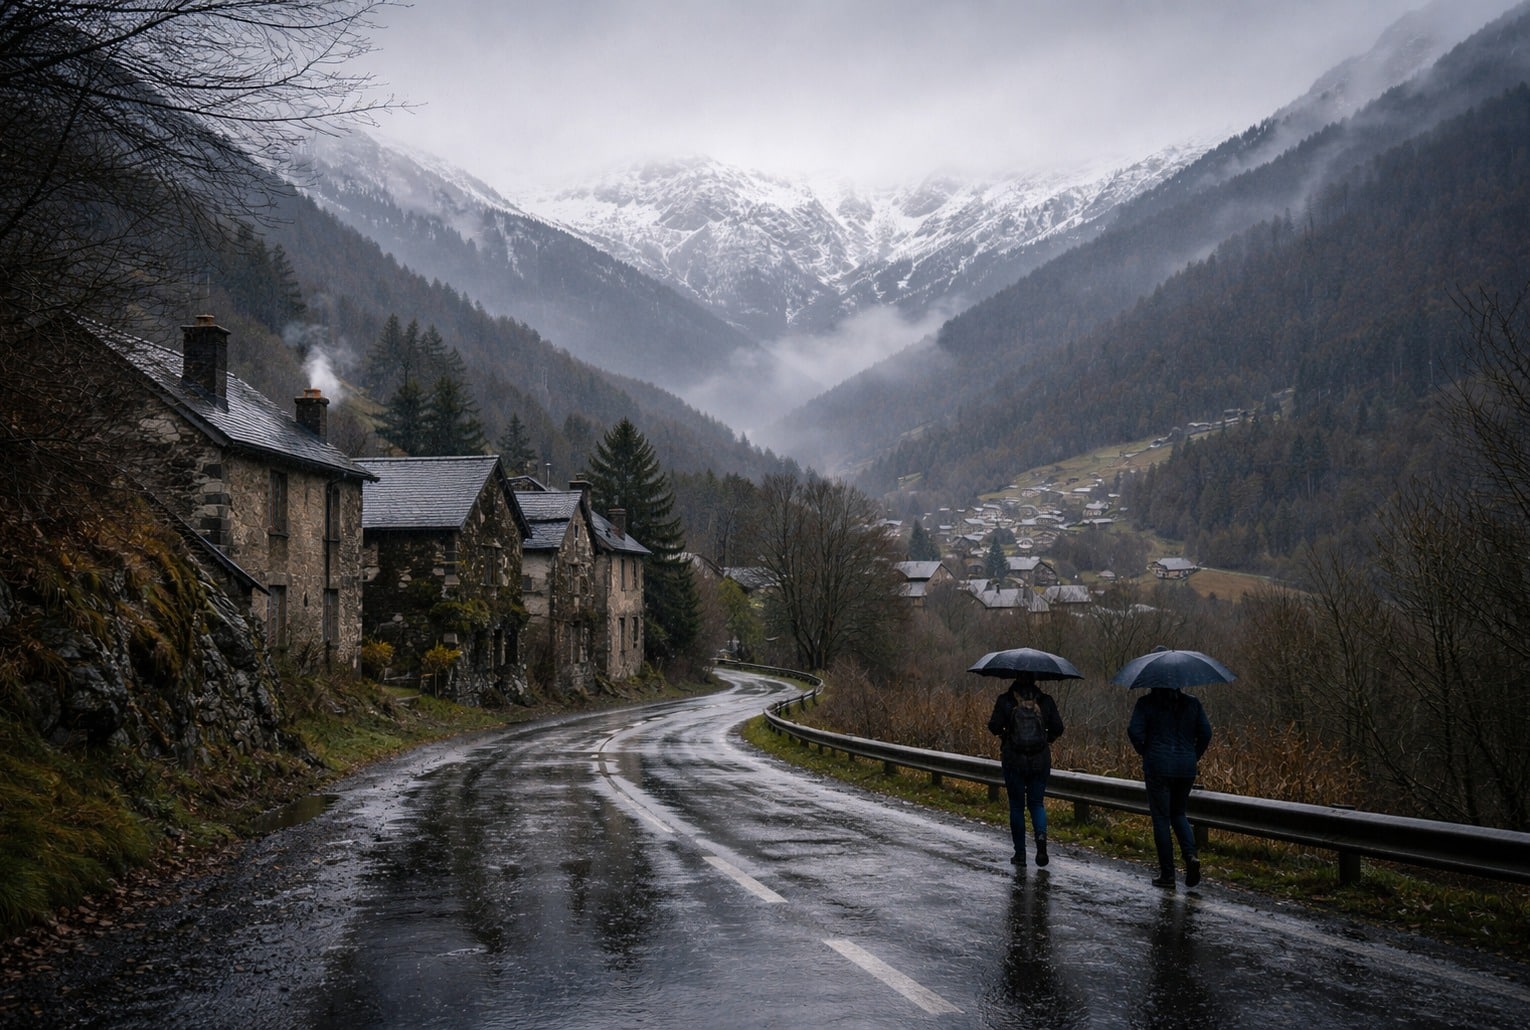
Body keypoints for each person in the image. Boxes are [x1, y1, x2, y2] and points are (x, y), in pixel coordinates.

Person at [1127, 686, 1213, 888]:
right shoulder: (1193, 703)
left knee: (1161, 819)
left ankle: (1168, 874)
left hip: (1158, 766)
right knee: (1179, 813)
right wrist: (1192, 755)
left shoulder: (1146, 703)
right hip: (1185, 768)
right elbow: (1206, 733)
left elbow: (1134, 731)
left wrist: (1145, 751)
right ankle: (1191, 856)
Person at [988, 673, 1065, 867]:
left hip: (1013, 759)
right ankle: (1041, 847)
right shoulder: (1045, 701)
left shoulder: (1005, 701)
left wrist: (1005, 733)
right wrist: (1048, 739)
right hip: (1040, 760)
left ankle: (1020, 854)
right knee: (1037, 804)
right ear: (1035, 679)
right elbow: (1058, 727)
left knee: (1016, 806)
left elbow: (993, 726)